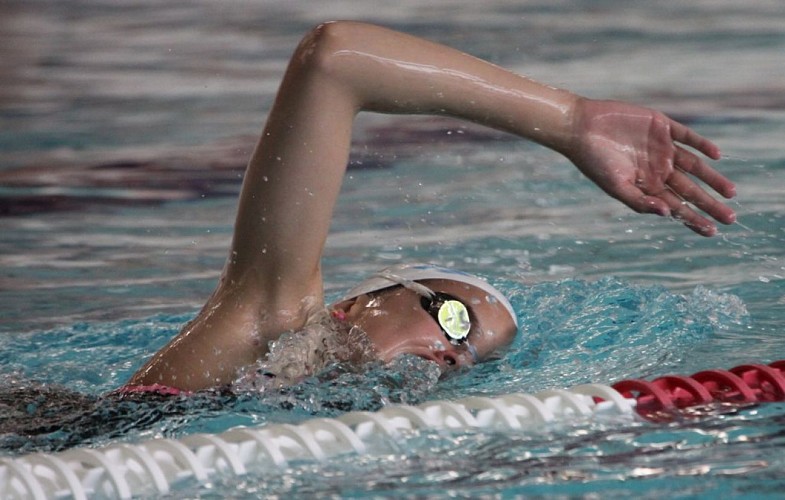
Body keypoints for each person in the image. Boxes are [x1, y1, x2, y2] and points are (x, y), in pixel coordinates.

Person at [125, 21, 736, 393]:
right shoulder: (268, 325)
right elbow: (336, 61)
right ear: (357, 304)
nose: (453, 354)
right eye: (455, 321)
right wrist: (569, 120)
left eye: (469, 357)